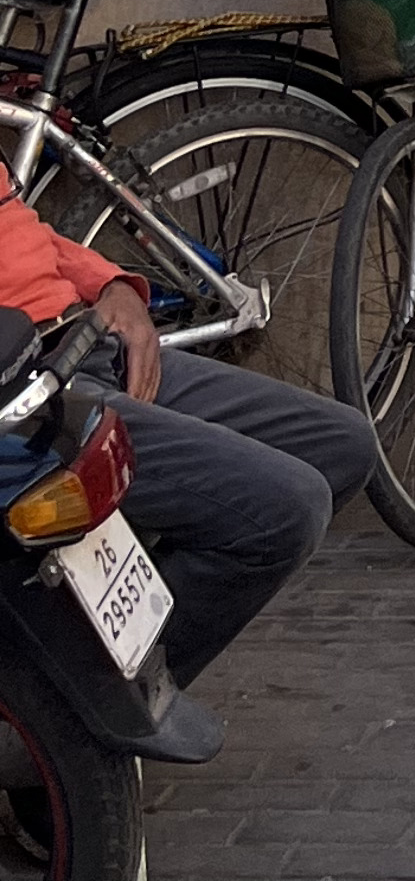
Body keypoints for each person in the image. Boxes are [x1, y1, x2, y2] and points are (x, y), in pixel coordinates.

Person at [0, 184, 376, 766]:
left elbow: (21, 231)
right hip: (26, 390)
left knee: (342, 445)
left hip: (82, 339)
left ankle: (85, 697)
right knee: (285, 510)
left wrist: (111, 284)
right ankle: (59, 750)